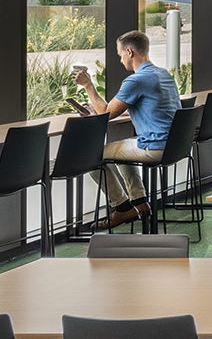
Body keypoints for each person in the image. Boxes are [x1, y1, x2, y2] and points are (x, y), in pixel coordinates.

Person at [73, 30, 179, 228]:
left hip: (156, 147)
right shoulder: (162, 74)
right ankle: (140, 202)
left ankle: (122, 208)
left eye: (120, 54)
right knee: (122, 148)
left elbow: (105, 112)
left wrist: (88, 85)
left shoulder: (136, 80)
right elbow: (149, 107)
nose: (120, 59)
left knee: (89, 156)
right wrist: (102, 111)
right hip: (175, 145)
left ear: (129, 52)